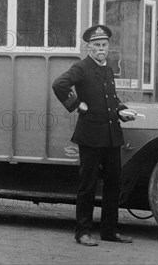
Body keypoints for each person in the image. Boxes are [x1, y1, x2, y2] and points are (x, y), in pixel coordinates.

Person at [52, 25, 134, 247]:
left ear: (109, 47)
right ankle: (82, 232)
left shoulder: (107, 69)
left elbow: (111, 98)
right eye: (96, 45)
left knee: (114, 184)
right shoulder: (82, 67)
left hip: (111, 136)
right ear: (89, 47)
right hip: (90, 136)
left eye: (104, 45)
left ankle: (109, 231)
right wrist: (77, 105)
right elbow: (59, 85)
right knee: (87, 186)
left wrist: (122, 110)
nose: (101, 49)